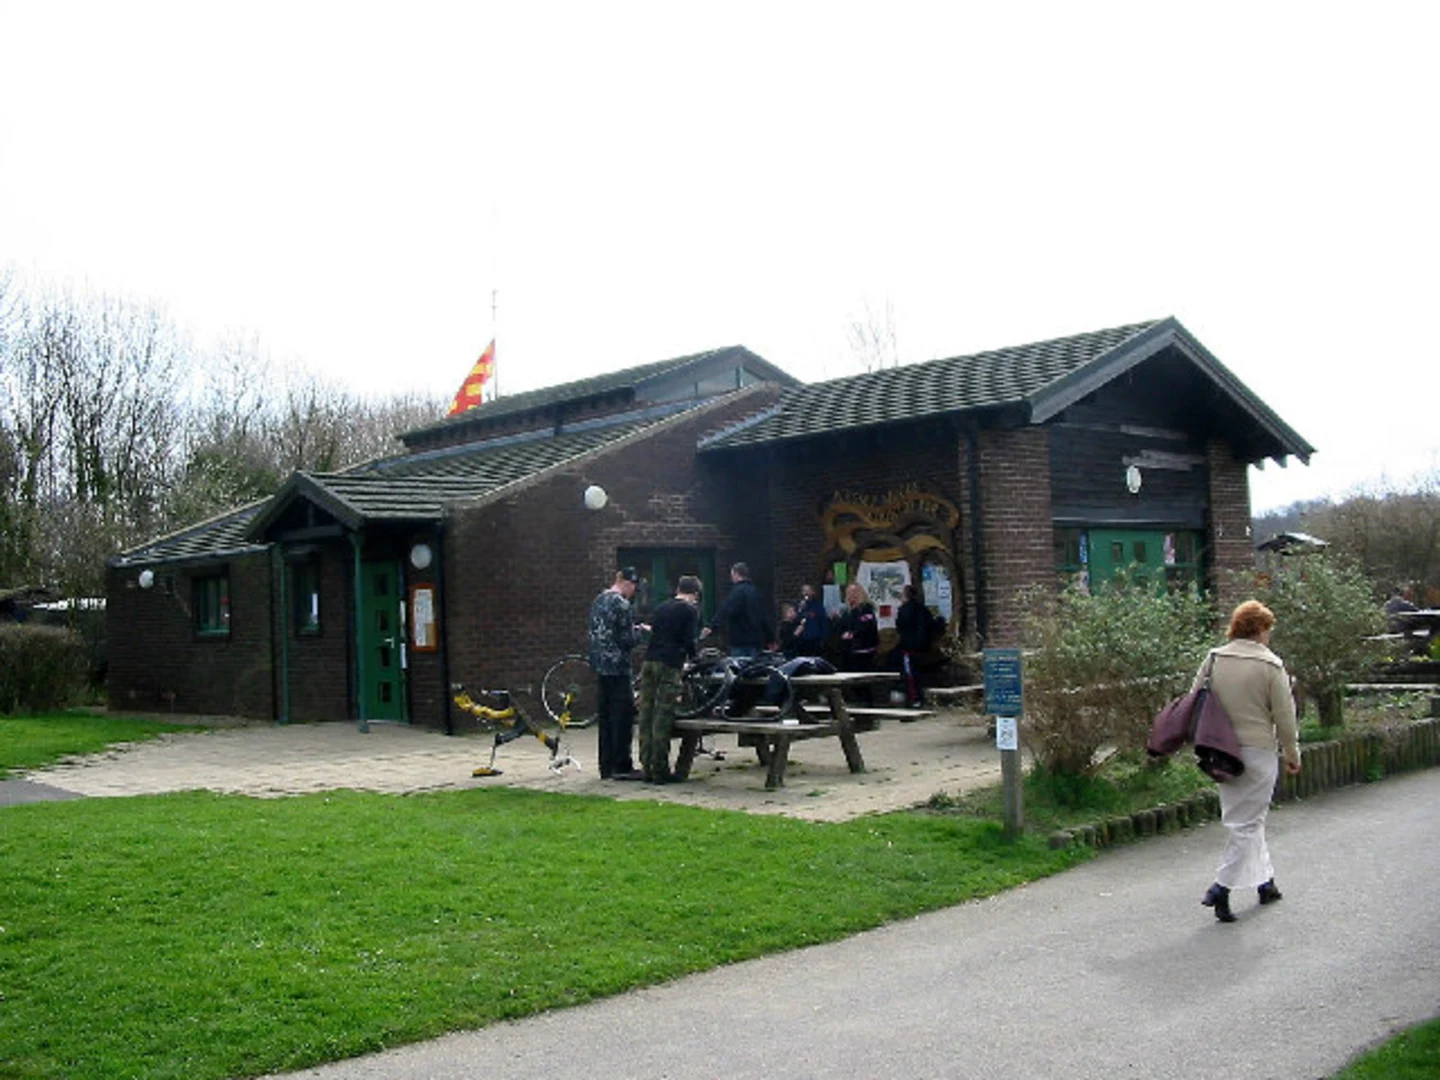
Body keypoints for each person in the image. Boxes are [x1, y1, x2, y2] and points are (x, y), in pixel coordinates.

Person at [1194, 599, 1302, 924]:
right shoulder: (1271, 666)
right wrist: (1292, 754)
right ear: (1259, 629)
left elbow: (1195, 697)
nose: (1269, 636)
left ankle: (1265, 883)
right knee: (1247, 823)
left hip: (1221, 750)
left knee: (1248, 818)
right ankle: (1221, 887)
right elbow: (1285, 717)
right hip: (1257, 751)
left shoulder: (1214, 658)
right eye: (1268, 629)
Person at [635, 575, 702, 784]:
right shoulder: (690, 610)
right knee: (662, 717)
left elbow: (655, 632)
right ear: (695, 594)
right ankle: (660, 771)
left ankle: (646, 766)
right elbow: (689, 639)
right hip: (670, 664)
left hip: (649, 661)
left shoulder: (662, 607)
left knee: (646, 715)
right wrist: (695, 660)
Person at [588, 567, 646, 781]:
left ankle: (606, 766)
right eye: (633, 586)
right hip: (618, 668)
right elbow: (627, 640)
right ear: (626, 583)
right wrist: (640, 631)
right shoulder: (621, 603)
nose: (633, 591)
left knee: (605, 717)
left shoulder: (599, 600)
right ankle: (622, 765)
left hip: (600, 666)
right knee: (622, 717)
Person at [702, 562, 774, 660]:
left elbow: (726, 609)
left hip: (741, 639)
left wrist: (712, 626)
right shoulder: (755, 592)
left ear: (736, 574)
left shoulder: (737, 592)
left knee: (739, 669)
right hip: (756, 640)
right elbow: (763, 616)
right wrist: (770, 638)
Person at [894, 583, 934, 709]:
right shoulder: (923, 609)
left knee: (910, 674)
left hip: (909, 647)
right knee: (919, 673)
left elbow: (900, 627)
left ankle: (915, 699)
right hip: (923, 647)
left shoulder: (904, 610)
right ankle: (919, 698)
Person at [795, 583, 829, 657]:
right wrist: (800, 609)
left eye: (808, 590)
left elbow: (823, 622)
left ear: (813, 592)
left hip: (815, 640)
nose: (806, 593)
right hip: (802, 641)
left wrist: (823, 639)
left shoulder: (818, 606)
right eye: (804, 591)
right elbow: (796, 621)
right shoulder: (799, 606)